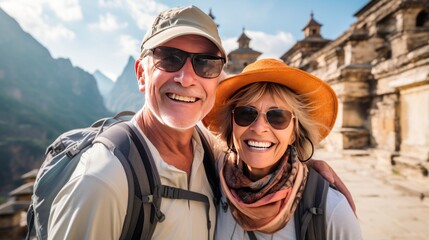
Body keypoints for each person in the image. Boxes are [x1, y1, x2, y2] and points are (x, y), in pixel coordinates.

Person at [47, 5, 355, 240]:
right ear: (141, 73)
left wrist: (306, 166)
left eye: (205, 63)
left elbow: (263, 153)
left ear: (217, 76)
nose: (186, 78)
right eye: (169, 58)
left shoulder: (211, 157)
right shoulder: (102, 181)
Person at [203, 58, 362, 239]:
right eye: (246, 114)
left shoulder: (331, 210)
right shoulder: (211, 177)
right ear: (231, 125)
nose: (259, 128)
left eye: (277, 116)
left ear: (294, 133)